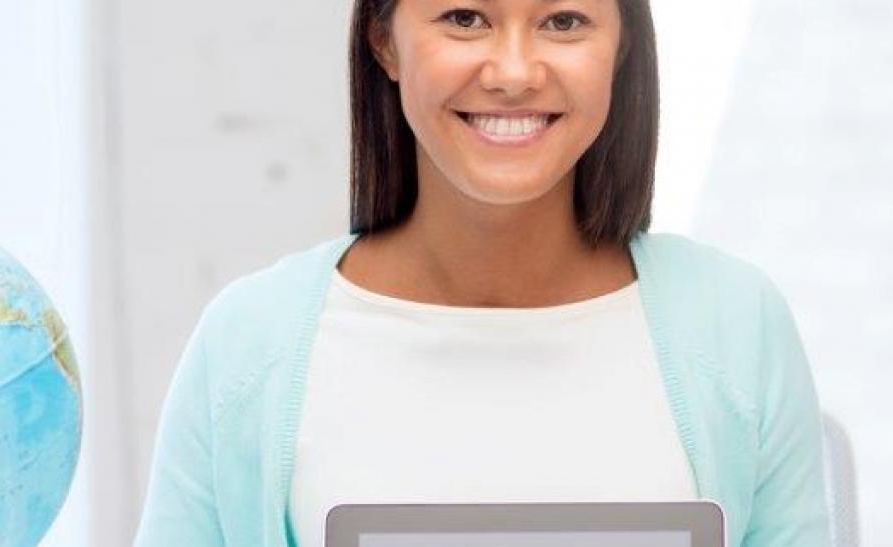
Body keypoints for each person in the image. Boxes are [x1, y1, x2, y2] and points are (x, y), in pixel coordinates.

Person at [134, 0, 829, 545]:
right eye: (465, 18)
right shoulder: (250, 346)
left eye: (564, 20)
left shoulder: (739, 326)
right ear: (385, 39)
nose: (514, 72)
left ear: (620, 44)